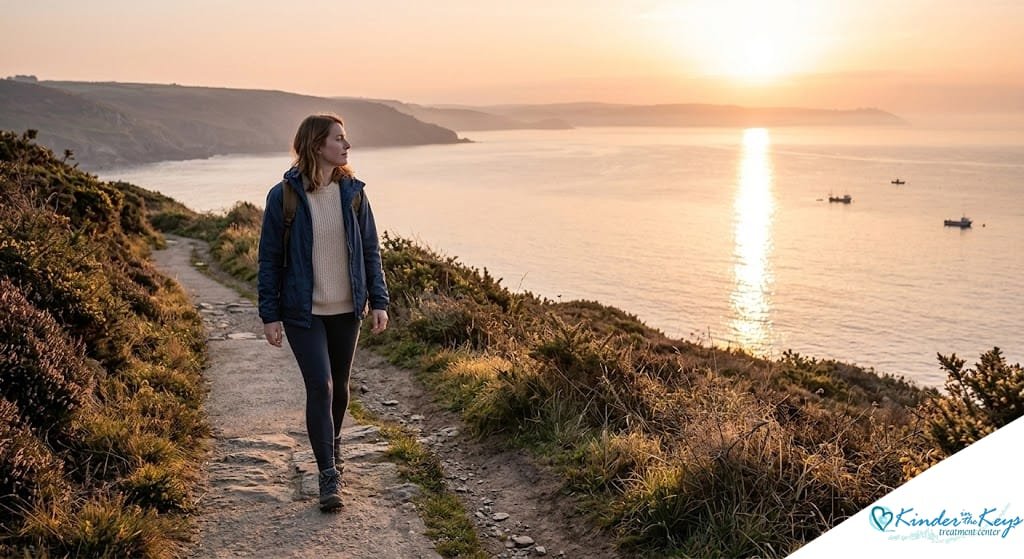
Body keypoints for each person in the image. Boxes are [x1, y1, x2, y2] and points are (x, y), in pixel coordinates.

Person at [257, 114, 389, 512]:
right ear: (317, 145)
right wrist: (270, 313)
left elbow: (371, 250)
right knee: (321, 385)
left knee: (341, 386)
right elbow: (269, 258)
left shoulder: (353, 193)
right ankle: (328, 474)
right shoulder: (284, 196)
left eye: (346, 140)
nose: (347, 146)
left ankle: (333, 445)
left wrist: (379, 300)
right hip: (303, 311)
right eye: (339, 140)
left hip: (348, 309)